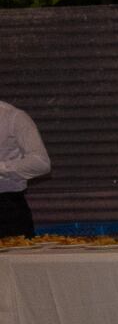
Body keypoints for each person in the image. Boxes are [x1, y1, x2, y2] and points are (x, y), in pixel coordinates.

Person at [0, 98, 51, 237]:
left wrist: (3, 168)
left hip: (6, 206)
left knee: (16, 257)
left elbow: (41, 163)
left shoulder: (13, 117)